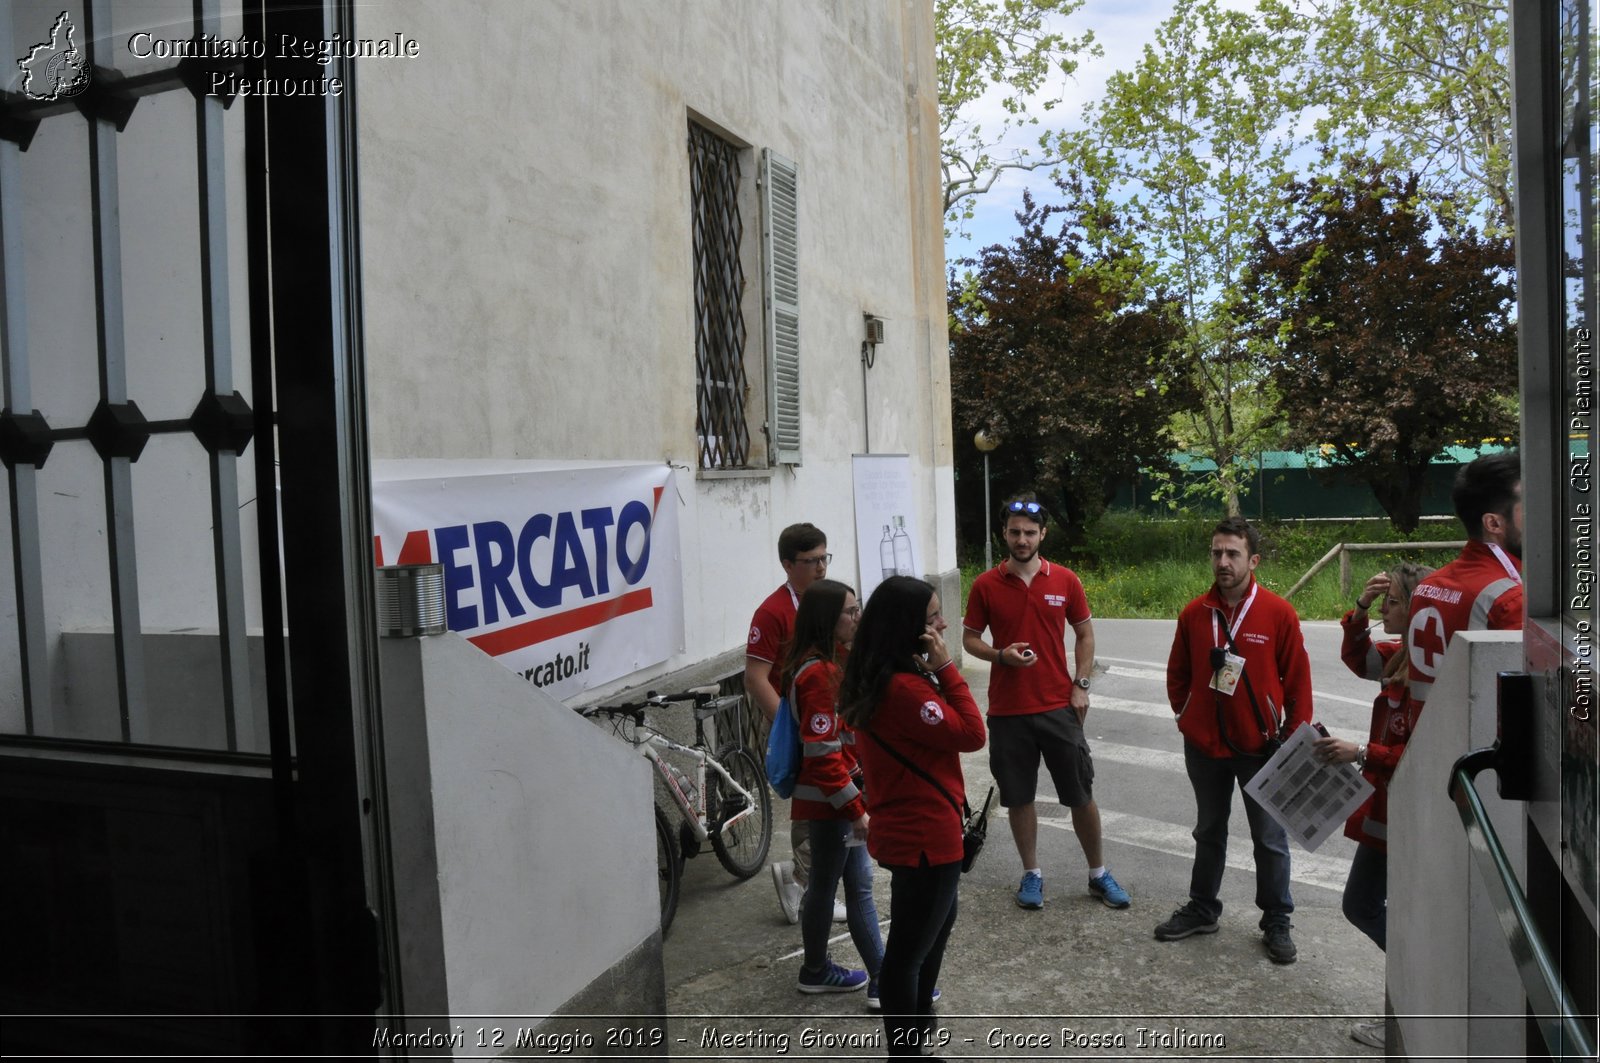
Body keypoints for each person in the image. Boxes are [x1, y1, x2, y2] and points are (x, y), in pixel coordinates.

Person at [840, 577, 985, 1058]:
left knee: (929, 936)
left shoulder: (885, 676)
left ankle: (915, 1043)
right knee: (907, 955)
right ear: (907, 628)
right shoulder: (905, 689)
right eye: (932, 619)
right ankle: (905, 1055)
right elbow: (970, 732)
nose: (943, 624)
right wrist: (947, 668)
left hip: (916, 833)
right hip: (925, 837)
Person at [961, 494, 1129, 911]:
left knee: (1080, 794)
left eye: (1030, 533)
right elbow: (969, 639)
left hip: (1059, 706)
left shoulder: (1065, 580)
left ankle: (1098, 873)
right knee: (1018, 797)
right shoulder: (985, 584)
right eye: (1015, 532)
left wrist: (1081, 684)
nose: (1022, 539)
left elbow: (1085, 634)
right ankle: (1032, 874)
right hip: (1008, 710)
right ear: (1004, 533)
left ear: (1043, 535)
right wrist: (1000, 656)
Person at [1159, 515, 1313, 964]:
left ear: (1253, 559)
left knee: (1269, 837)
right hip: (1205, 748)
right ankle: (1203, 908)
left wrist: (1293, 738)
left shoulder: (1277, 612)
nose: (1223, 562)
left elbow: (1299, 682)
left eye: (1233, 554)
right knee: (1209, 830)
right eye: (1216, 553)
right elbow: (1177, 674)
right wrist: (1187, 714)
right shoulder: (1194, 613)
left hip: (1260, 749)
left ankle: (1277, 919)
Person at [1313, 561, 1434, 1051]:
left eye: (1395, 600)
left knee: (1366, 905)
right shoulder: (1400, 655)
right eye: (1384, 599)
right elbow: (1356, 657)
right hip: (1387, 813)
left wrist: (1362, 753)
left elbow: (1423, 752)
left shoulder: (1428, 669)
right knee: (1373, 907)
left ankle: (1416, 998)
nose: (1387, 607)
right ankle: (1416, 996)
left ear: (1420, 610)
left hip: (1409, 815)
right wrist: (1359, 606)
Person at [781, 579, 884, 997]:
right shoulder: (819, 674)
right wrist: (855, 808)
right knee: (857, 888)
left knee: (826, 884)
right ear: (828, 619)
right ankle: (885, 981)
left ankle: (817, 969)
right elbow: (823, 755)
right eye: (850, 611)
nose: (858, 618)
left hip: (830, 802)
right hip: (833, 803)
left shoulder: (824, 663)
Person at [744, 522, 845, 923]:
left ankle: (805, 878)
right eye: (811, 561)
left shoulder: (832, 601)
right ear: (787, 564)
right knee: (813, 807)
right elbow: (755, 677)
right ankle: (803, 882)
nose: (821, 568)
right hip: (802, 726)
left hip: (833, 719)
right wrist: (792, 728)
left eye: (824, 558)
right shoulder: (772, 612)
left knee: (839, 803)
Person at [1406, 450, 1524, 705]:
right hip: (1481, 742)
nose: (1545, 518)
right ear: (1493, 524)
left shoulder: (1426, 586)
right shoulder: (1510, 599)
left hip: (1427, 739)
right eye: (1531, 508)